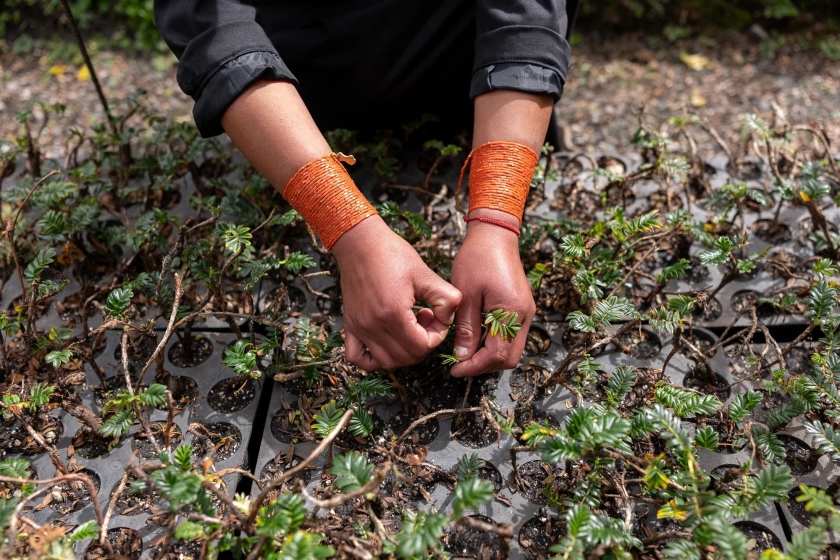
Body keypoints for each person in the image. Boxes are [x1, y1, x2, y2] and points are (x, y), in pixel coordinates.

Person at [154, 1, 572, 377]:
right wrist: (352, 233)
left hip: (461, 72)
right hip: (296, 94)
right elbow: (213, 22)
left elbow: (526, 12)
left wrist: (495, 223)